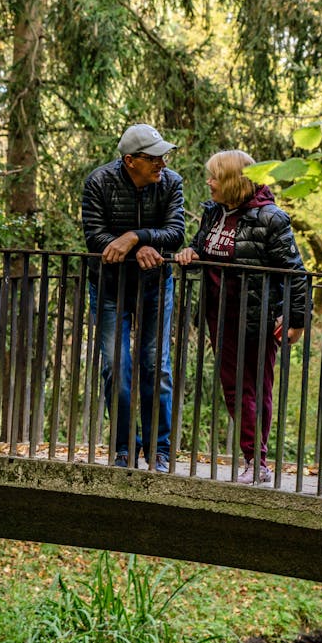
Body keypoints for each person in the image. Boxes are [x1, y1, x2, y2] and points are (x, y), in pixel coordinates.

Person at [175, 150, 306, 485]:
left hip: (256, 315)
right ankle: (252, 455)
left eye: (215, 177)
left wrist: (296, 320)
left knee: (255, 386)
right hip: (220, 315)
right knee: (232, 386)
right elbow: (201, 247)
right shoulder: (214, 213)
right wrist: (191, 252)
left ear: (233, 181)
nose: (209, 183)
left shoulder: (271, 219)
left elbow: (295, 272)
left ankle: (257, 461)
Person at [82, 124, 185, 472]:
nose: (162, 163)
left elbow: (176, 232)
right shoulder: (99, 182)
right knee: (115, 367)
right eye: (154, 158)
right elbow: (95, 238)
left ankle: (160, 449)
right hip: (110, 287)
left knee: (156, 366)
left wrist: (136, 238)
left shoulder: (172, 183)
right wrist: (135, 248)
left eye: (163, 156)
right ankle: (125, 447)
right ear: (130, 161)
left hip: (156, 284)